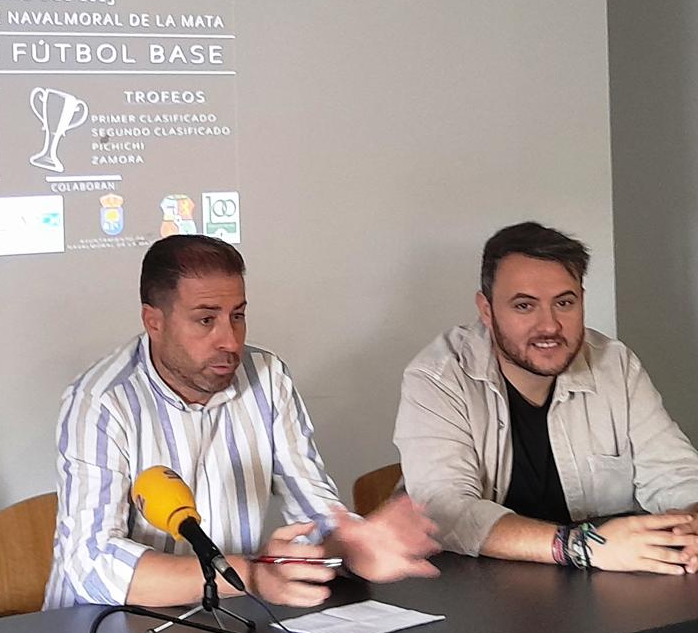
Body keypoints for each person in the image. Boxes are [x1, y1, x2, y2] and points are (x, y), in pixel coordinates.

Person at [43, 235, 440, 609]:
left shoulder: (267, 378)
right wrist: (248, 575)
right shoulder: (101, 401)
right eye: (205, 320)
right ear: (154, 322)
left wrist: (354, 546)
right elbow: (91, 564)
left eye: (238, 316)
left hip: (225, 617)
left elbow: (314, 514)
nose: (230, 341)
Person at [394, 221, 698, 573]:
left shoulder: (615, 364)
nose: (550, 326)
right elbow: (445, 511)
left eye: (564, 303)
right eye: (525, 306)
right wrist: (583, 547)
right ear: (487, 310)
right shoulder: (438, 376)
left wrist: (690, 525)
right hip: (479, 593)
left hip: (606, 583)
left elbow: (677, 476)